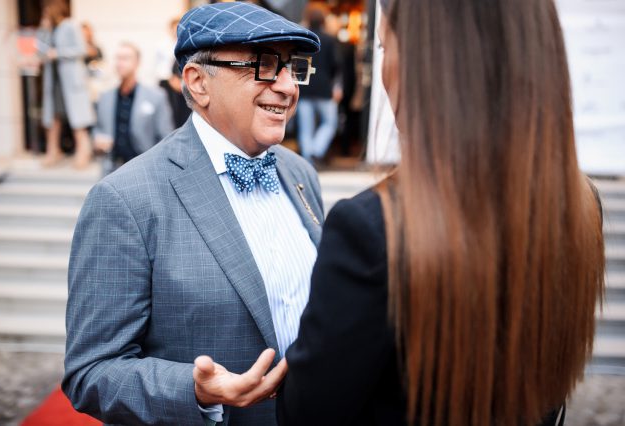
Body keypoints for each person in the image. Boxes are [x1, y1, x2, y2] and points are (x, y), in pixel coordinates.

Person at [278, 0, 605, 425]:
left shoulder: (372, 230)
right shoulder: (581, 205)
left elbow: (308, 412)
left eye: (384, 47)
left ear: (425, 64)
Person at [62, 3, 321, 425]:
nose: (288, 86)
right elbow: (91, 373)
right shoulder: (124, 199)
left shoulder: (299, 173)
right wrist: (196, 391)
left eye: (292, 67)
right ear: (199, 83)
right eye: (264, 65)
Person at [93, 42, 174, 174]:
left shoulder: (156, 96)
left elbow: (166, 136)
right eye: (118, 58)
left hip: (144, 169)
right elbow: (98, 129)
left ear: (137, 63)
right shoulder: (105, 97)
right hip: (111, 169)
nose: (120, 63)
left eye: (125, 58)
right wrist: (98, 140)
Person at [36, 0, 94, 169]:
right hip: (54, 80)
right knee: (53, 118)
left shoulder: (70, 25)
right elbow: (40, 51)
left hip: (71, 81)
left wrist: (58, 53)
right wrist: (43, 30)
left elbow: (82, 49)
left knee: (78, 120)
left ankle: (83, 153)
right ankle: (53, 152)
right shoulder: (49, 28)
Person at [296, 3, 342, 165]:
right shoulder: (329, 40)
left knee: (305, 127)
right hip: (324, 88)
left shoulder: (302, 40)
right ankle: (317, 149)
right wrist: (337, 86)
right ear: (324, 21)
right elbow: (336, 65)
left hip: (304, 87)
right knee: (330, 123)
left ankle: (307, 161)